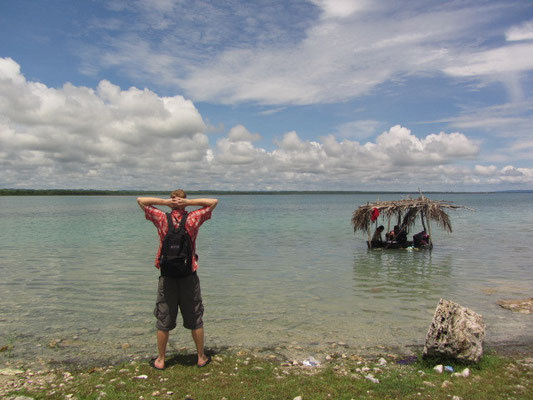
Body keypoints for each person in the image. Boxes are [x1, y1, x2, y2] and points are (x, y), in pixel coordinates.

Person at [137, 190, 218, 370]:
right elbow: (213, 202)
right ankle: (200, 357)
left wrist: (165, 203)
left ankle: (160, 359)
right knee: (195, 316)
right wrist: (188, 203)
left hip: (167, 276)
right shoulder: (193, 219)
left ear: (171, 201)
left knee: (164, 317)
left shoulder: (160, 218)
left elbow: (140, 200)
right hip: (188, 275)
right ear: (183, 201)